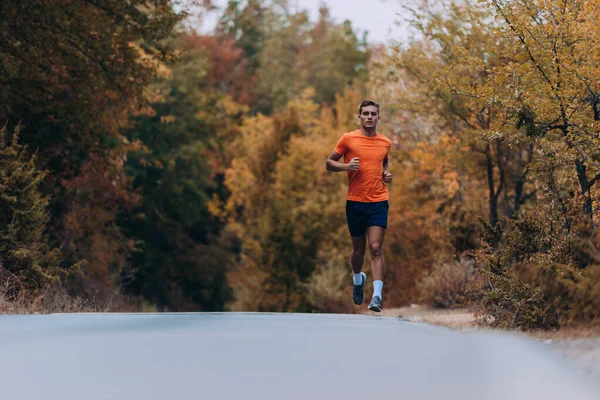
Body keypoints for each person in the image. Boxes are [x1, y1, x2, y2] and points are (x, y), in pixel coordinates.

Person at [325, 99, 392, 312]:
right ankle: (358, 278)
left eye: (374, 114)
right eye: (366, 114)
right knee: (357, 252)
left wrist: (385, 173)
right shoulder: (348, 139)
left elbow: (384, 161)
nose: (370, 117)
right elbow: (329, 162)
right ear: (360, 116)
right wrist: (346, 166)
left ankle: (377, 297)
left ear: (379, 117)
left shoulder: (385, 142)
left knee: (376, 247)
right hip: (355, 202)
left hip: (378, 200)